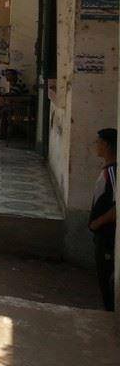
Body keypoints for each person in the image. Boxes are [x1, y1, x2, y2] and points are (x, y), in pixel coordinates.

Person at [89, 128, 116, 312]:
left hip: (107, 235)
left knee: (107, 280)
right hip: (101, 234)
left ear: (106, 145)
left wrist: (97, 223)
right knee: (103, 278)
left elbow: (116, 207)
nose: (96, 146)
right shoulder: (107, 169)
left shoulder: (113, 172)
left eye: (98, 142)